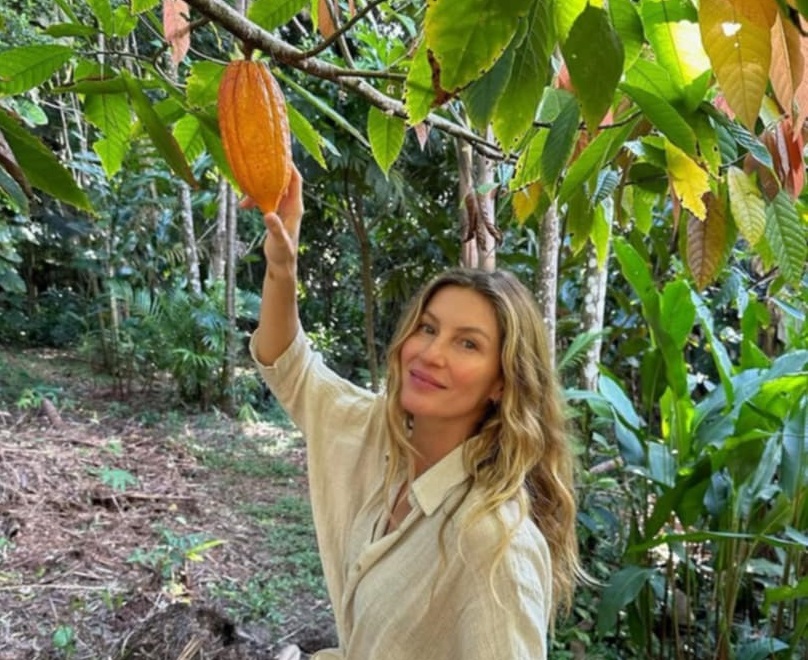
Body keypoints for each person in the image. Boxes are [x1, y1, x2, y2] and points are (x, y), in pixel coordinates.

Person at [249, 166, 582, 660]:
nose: (430, 353)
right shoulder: (381, 436)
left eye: (467, 344)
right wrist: (282, 265)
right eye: (427, 328)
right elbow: (290, 367)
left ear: (501, 382)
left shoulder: (495, 544)